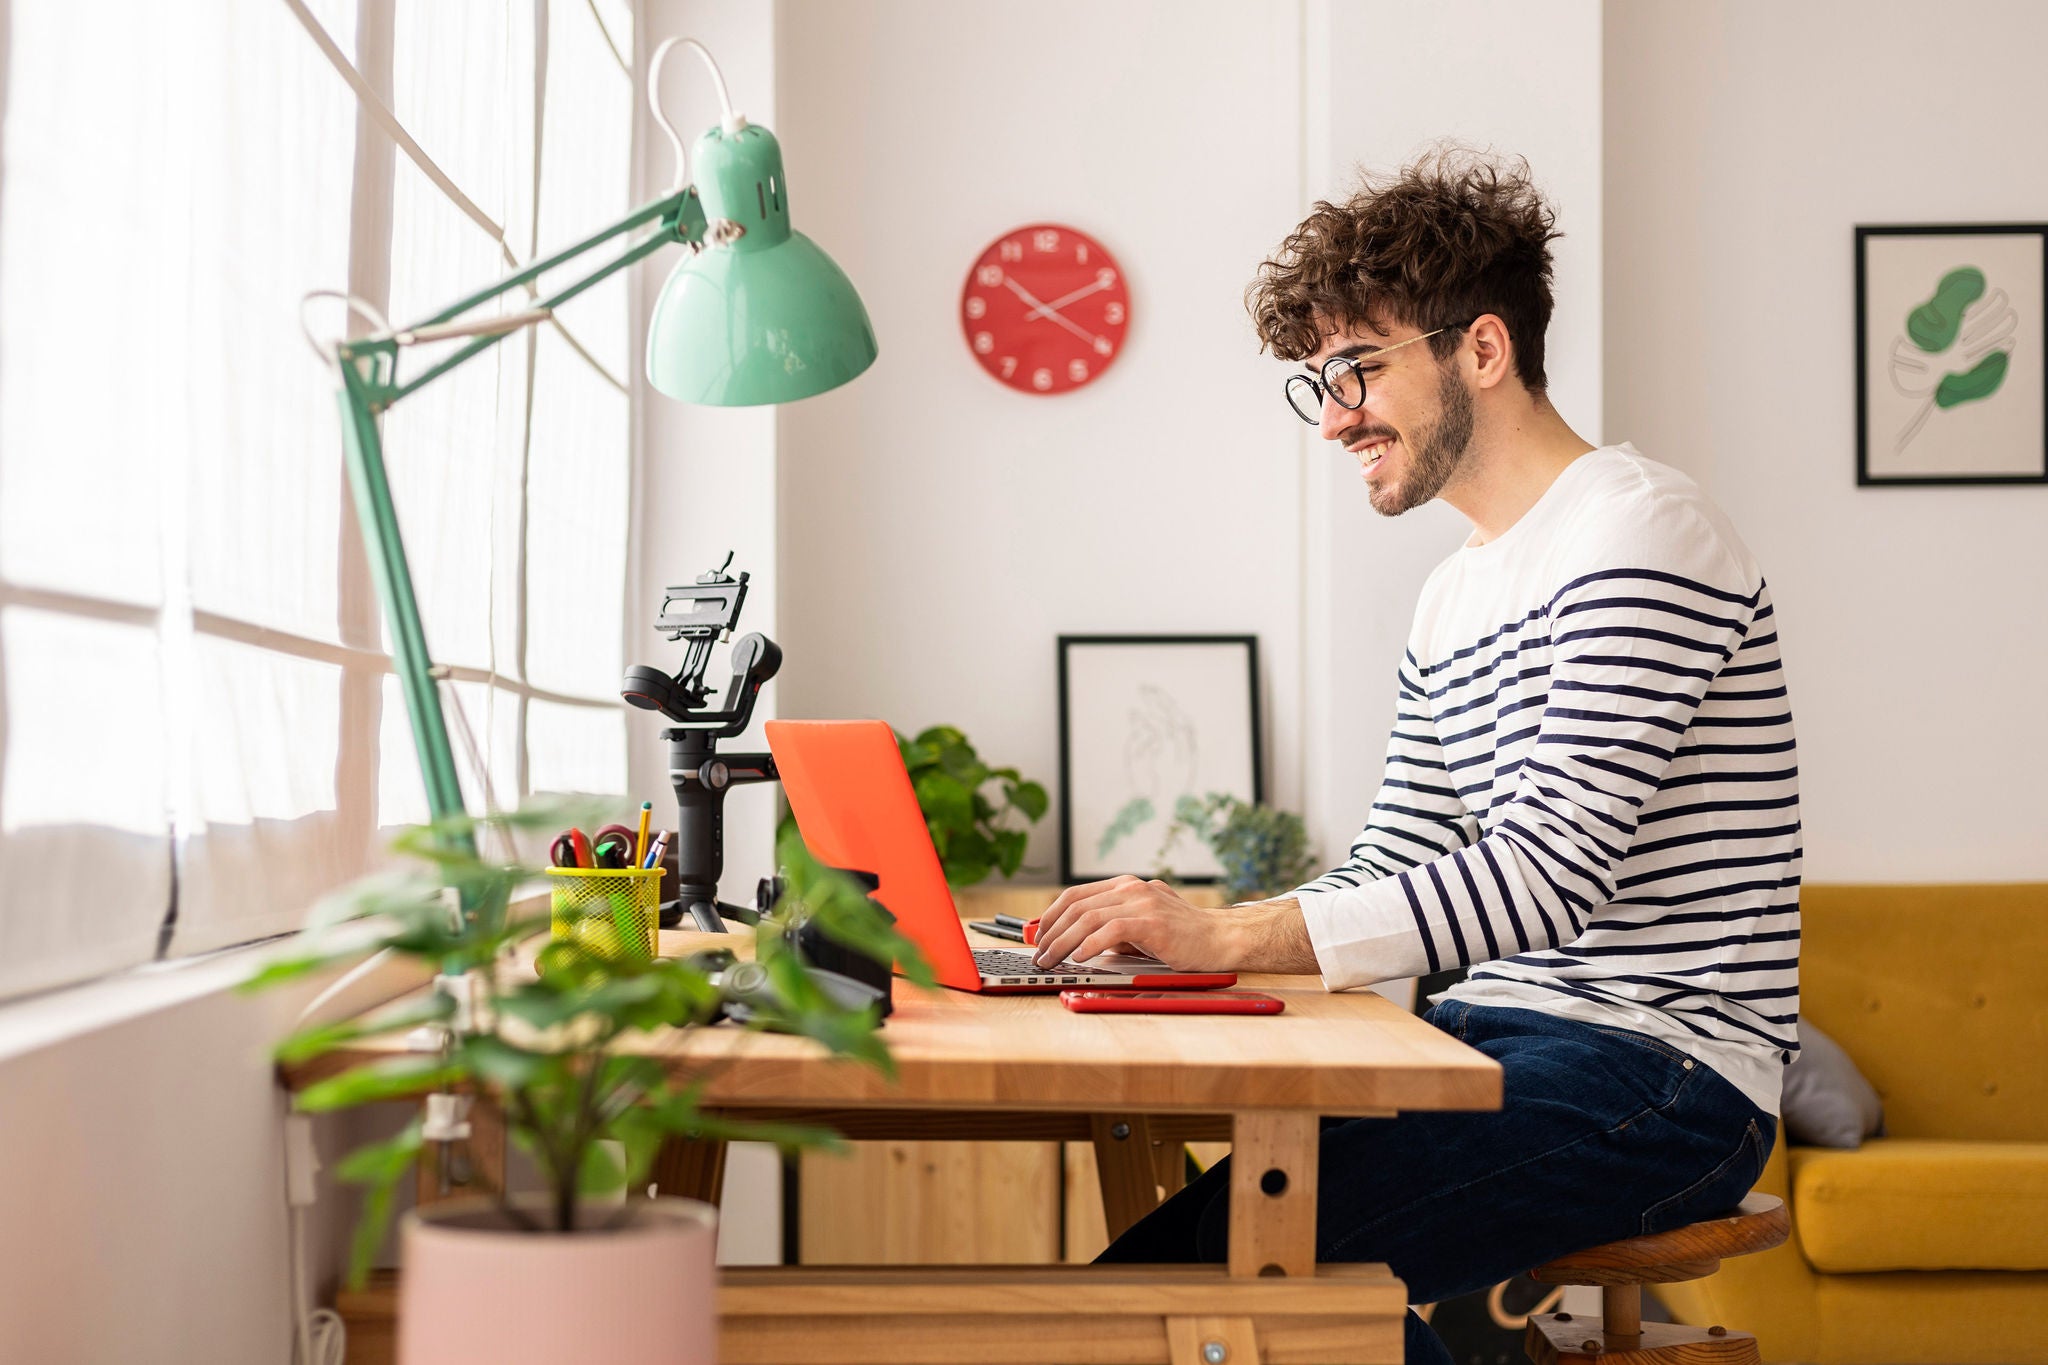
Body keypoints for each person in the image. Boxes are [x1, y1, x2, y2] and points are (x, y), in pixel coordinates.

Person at [1030, 147, 1799, 1365]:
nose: (1335, 417)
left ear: (1480, 349)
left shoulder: (1641, 533)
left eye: (1357, 369)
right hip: (1484, 1038)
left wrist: (1228, 940)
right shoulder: (1452, 595)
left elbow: (1547, 874)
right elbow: (1396, 855)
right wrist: (1189, 937)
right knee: (1196, 1267)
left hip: (1661, 1075)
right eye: (1319, 383)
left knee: (1207, 1277)